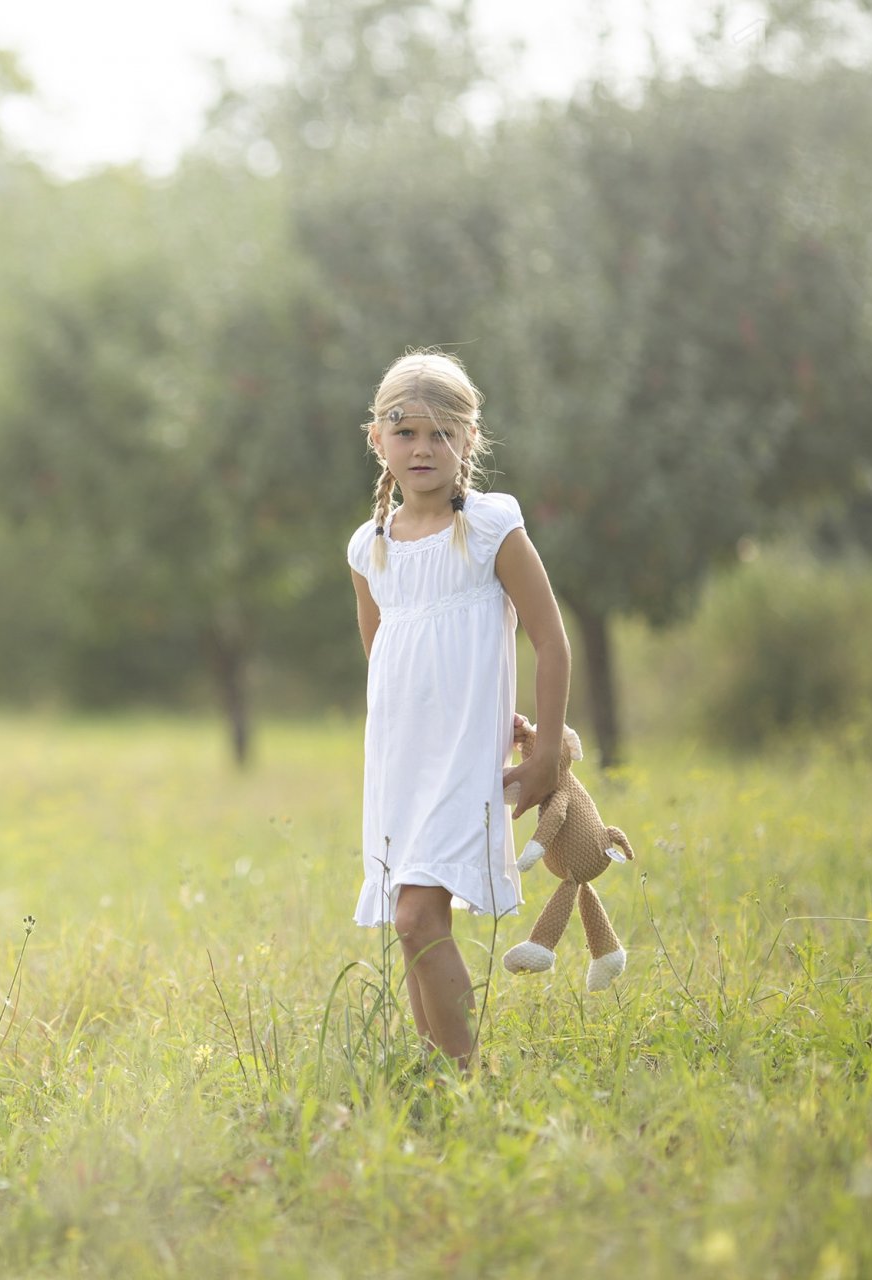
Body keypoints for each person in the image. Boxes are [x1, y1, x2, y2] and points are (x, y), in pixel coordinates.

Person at [345, 349, 571, 1074]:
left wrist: (540, 754)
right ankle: (434, 1077)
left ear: (470, 440)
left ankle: (470, 1079)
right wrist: (459, 702)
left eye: (441, 433)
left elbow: (550, 641)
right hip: (403, 760)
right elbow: (385, 658)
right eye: (404, 431)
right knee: (415, 925)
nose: (422, 448)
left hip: (461, 764)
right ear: (377, 439)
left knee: (415, 914)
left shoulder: (492, 531)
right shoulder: (369, 548)